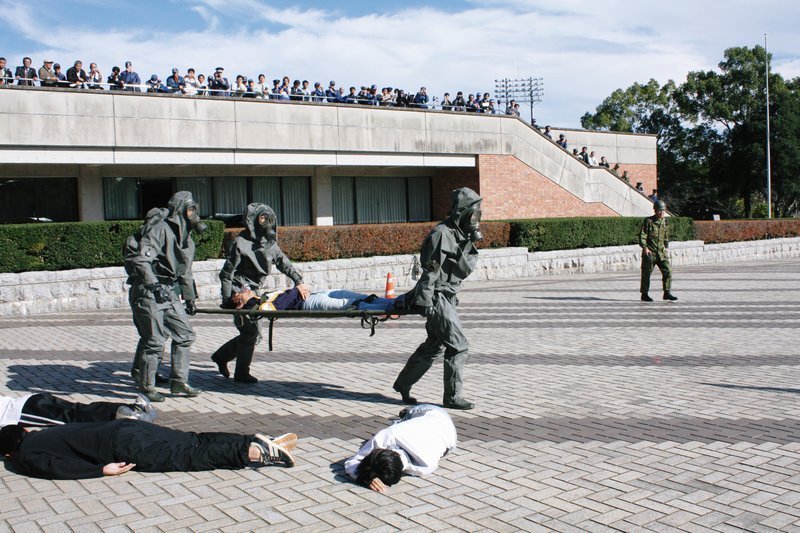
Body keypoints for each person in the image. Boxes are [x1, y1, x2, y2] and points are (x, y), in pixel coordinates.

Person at [392, 188, 482, 410]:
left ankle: (403, 384)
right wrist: (425, 302)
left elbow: (462, 267)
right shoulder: (441, 234)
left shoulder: (457, 233)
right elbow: (430, 271)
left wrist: (470, 240)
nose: (476, 218)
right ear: (462, 212)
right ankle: (452, 397)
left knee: (434, 346)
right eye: (473, 214)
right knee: (459, 345)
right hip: (437, 296)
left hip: (448, 296)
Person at [0, 420, 296, 480]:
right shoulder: (46, 432)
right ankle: (253, 440)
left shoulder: (25, 456)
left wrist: (100, 469)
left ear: (8, 453)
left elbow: (53, 468)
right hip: (124, 428)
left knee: (186, 458)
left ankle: (258, 454)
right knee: (192, 438)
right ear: (25, 430)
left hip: (122, 445)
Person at [124, 191, 207, 402]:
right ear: (180, 210)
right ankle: (146, 386)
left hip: (168, 290)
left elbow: (186, 272)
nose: (193, 214)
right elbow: (141, 260)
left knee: (185, 334)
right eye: (189, 209)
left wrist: (190, 299)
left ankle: (178, 382)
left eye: (194, 209)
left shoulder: (188, 241)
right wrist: (153, 285)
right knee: (154, 340)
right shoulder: (160, 229)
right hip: (148, 290)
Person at [212, 203, 309, 383]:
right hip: (239, 291)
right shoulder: (240, 243)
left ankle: (221, 356)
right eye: (262, 218)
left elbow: (284, 263)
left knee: (253, 335)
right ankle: (240, 372)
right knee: (250, 333)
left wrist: (299, 282)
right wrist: (227, 300)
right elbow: (226, 274)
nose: (266, 222)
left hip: (254, 292)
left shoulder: (270, 244)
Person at [344, 404, 456, 493]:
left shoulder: (388, 436)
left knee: (404, 421)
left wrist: (363, 477)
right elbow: (353, 461)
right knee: (401, 423)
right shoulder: (426, 465)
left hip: (434, 417)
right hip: (438, 420)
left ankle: (405, 416)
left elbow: (352, 462)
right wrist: (368, 477)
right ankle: (403, 418)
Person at [1, 392, 156, 428]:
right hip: (27, 400)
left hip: (20, 413)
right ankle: (132, 408)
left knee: (72, 418)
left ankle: (123, 416)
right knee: (78, 409)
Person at [231, 287, 403, 313]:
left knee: (363, 297)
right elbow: (281, 305)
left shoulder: (260, 297)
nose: (245, 289)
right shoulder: (258, 306)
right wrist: (296, 289)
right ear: (241, 303)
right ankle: (397, 306)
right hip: (308, 303)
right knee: (354, 305)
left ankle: (399, 301)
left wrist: (296, 289)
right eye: (241, 293)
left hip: (315, 294)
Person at [640, 200, 677, 302]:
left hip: (661, 252)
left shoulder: (664, 221)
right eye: (660, 211)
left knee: (668, 270)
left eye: (663, 211)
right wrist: (645, 248)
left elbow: (665, 235)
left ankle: (667, 292)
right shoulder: (648, 221)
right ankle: (644, 294)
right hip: (650, 252)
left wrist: (666, 246)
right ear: (655, 211)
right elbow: (643, 235)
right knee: (646, 274)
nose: (662, 213)